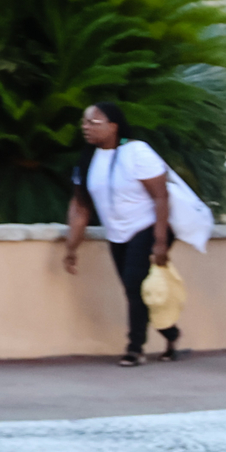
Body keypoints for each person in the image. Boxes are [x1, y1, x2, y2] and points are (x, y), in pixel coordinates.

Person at [61, 102, 178, 367]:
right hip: (117, 234)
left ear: (113, 126)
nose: (86, 127)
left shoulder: (137, 152)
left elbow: (161, 196)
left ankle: (134, 348)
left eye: (93, 122)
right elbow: (80, 208)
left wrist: (160, 241)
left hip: (146, 228)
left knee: (135, 285)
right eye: (84, 122)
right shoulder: (87, 160)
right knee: (134, 289)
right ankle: (171, 334)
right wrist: (71, 249)